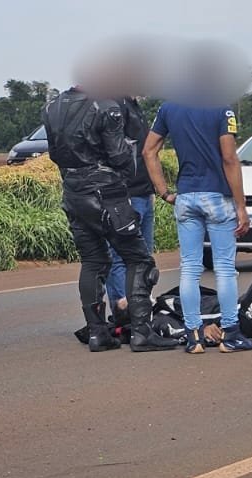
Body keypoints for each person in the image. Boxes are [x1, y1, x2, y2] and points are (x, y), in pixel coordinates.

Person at [43, 63, 177, 352]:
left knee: (93, 261)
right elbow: (120, 156)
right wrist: (122, 174)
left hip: (74, 191)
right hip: (107, 192)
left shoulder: (53, 106)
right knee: (139, 259)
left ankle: (97, 332)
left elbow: (54, 154)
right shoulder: (107, 107)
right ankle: (142, 332)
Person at [143, 96, 252, 353]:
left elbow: (148, 150)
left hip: (186, 196)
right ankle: (231, 335)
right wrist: (241, 206)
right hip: (217, 196)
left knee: (190, 268)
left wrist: (163, 192)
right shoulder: (222, 109)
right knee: (225, 268)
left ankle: (194, 337)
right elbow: (229, 158)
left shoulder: (169, 107)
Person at [103, 94, 156, 327]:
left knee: (144, 255)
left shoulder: (134, 106)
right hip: (126, 194)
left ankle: (141, 305)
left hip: (143, 192)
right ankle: (123, 308)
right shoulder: (114, 106)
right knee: (119, 255)